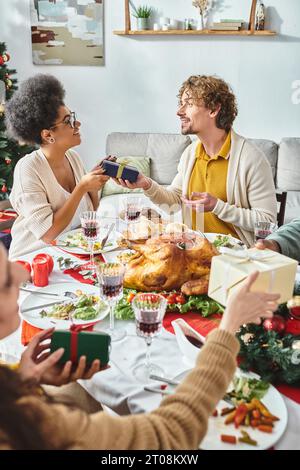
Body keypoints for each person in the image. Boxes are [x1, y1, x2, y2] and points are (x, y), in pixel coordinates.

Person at [0, 246, 280, 449]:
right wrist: (228, 328)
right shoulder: (29, 423)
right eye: (4, 281)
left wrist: (24, 380)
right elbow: (169, 436)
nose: (19, 271)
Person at [114, 75, 277, 247]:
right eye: (181, 103)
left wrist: (218, 207)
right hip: (194, 253)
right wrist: (146, 184)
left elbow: (267, 222)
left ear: (213, 109)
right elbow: (175, 201)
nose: (179, 111)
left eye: (189, 104)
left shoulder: (251, 159)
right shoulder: (191, 153)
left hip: (236, 257)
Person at [5, 74, 110, 259]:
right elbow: (48, 234)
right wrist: (82, 187)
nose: (77, 124)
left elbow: (90, 214)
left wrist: (93, 184)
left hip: (66, 256)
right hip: (33, 260)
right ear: (47, 135)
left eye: (73, 117)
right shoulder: (28, 168)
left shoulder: (73, 158)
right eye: (68, 121)